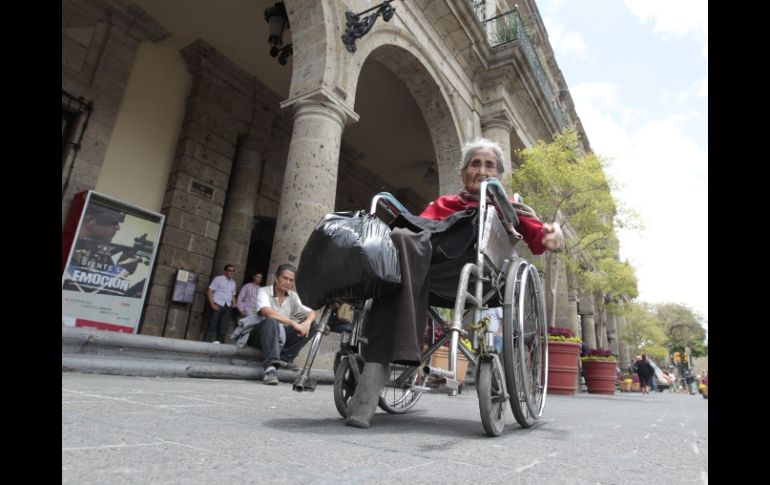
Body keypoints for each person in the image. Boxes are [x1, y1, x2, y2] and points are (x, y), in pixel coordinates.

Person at [345, 138, 564, 428]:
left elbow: (541, 240)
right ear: (463, 174)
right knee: (398, 241)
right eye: (475, 164)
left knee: (403, 248)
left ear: (499, 175)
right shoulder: (444, 204)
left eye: (490, 166)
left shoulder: (508, 206)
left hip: (482, 274)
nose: (482, 171)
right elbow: (418, 232)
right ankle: (377, 366)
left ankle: (378, 369)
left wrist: (554, 236)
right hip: (428, 271)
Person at [230, 264, 317, 385]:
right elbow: (266, 312)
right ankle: (270, 368)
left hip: (279, 334)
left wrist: (307, 323)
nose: (288, 282)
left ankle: (284, 358)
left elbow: (311, 312)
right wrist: (293, 323)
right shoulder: (263, 291)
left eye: (291, 280)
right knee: (271, 321)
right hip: (258, 333)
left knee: (314, 325)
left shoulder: (293, 296)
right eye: (285, 278)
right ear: (276, 278)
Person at [204, 264, 237, 344]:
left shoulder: (233, 283)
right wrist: (212, 304)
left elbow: (232, 295)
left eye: (233, 271)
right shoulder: (218, 279)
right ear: (225, 271)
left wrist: (234, 303)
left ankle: (220, 344)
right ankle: (205, 343)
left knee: (224, 327)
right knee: (212, 324)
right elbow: (209, 291)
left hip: (227, 306)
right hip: (218, 304)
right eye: (229, 270)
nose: (231, 272)